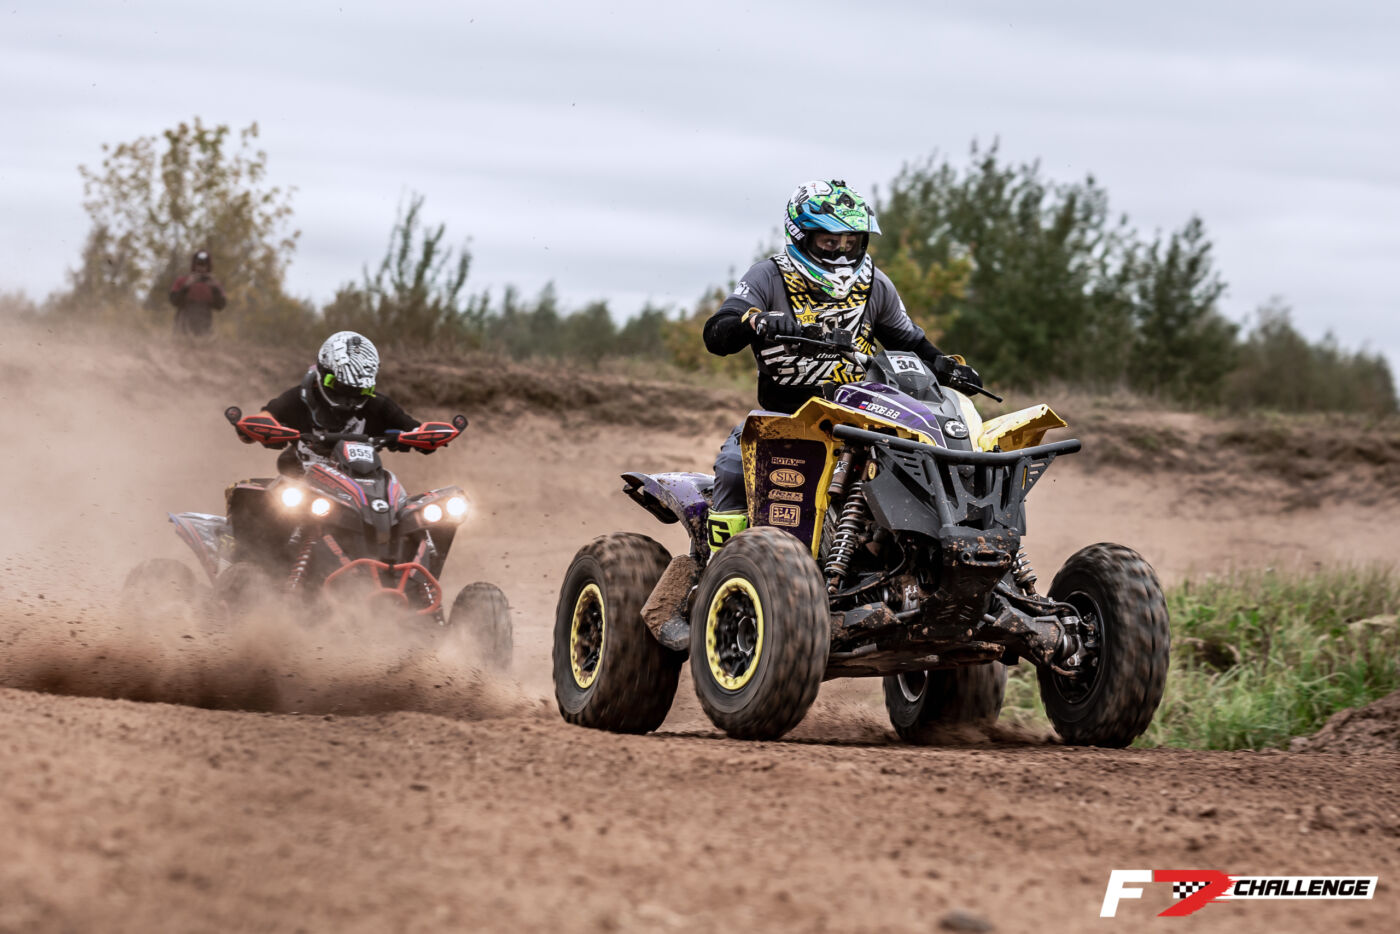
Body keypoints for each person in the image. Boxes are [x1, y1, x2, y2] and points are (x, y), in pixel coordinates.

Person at [702, 179, 982, 550]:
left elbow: (911, 343)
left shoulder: (875, 284)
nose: (841, 253)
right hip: (791, 414)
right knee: (734, 466)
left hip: (863, 415)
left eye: (851, 243)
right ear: (801, 236)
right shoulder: (768, 276)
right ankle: (723, 561)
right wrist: (757, 321)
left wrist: (946, 365)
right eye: (830, 242)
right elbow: (717, 334)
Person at [246, 330, 425, 475]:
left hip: (362, 485)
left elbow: (417, 430)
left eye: (359, 391)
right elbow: (266, 416)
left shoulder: (378, 405)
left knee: (408, 500)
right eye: (342, 387)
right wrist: (260, 428)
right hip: (300, 483)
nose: (349, 398)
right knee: (256, 497)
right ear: (323, 373)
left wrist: (429, 436)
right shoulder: (299, 398)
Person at [168, 250, 228, 336]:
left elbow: (220, 306)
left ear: (208, 266)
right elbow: (174, 301)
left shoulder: (214, 284)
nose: (201, 268)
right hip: (182, 331)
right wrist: (186, 286)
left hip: (205, 332)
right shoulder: (182, 281)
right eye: (198, 264)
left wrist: (215, 289)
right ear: (194, 265)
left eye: (204, 265)